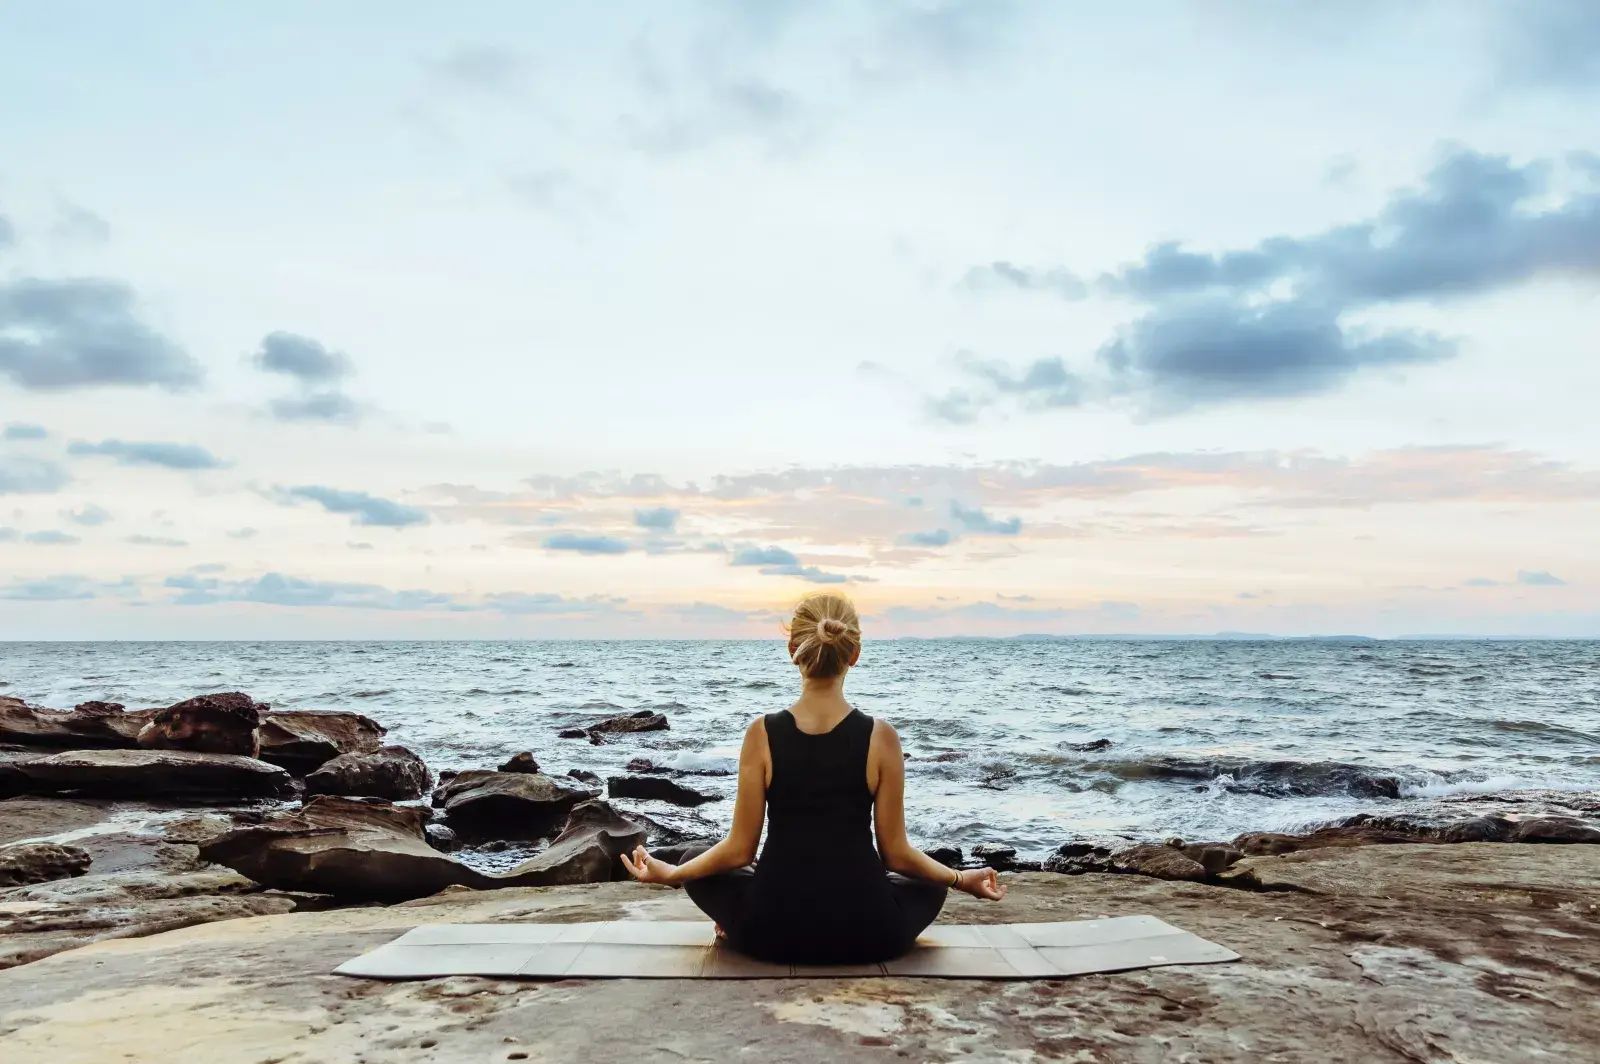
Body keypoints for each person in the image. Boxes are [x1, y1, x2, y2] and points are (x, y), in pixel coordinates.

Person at [621, 591, 1005, 964]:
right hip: (871, 934)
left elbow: (739, 849)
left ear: (793, 650)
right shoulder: (881, 737)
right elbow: (897, 855)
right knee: (930, 878)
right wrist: (960, 878)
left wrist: (673, 874)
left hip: (770, 932)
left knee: (695, 858)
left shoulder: (761, 734)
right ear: (854, 654)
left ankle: (733, 923)